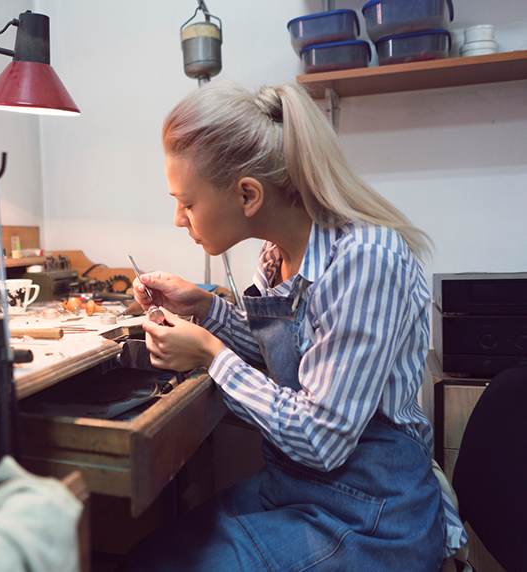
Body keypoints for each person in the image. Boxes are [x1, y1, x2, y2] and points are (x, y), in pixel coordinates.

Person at [118, 80, 467, 572]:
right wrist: (206, 310)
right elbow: (290, 360)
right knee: (147, 553)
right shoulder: (277, 253)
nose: (179, 219)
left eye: (188, 203)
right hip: (295, 486)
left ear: (247, 194)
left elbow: (321, 437)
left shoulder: (366, 261)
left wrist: (210, 355)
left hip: (371, 515)